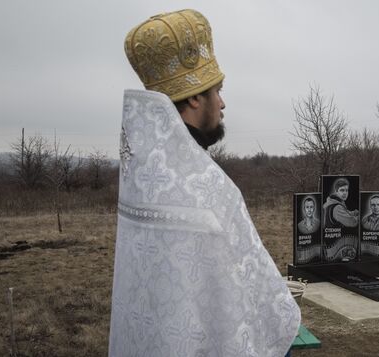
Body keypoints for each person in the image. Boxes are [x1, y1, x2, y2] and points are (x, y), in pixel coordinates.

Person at [109, 10, 300, 357]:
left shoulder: (142, 181)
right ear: (196, 97)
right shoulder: (210, 190)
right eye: (218, 90)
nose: (223, 102)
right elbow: (262, 310)